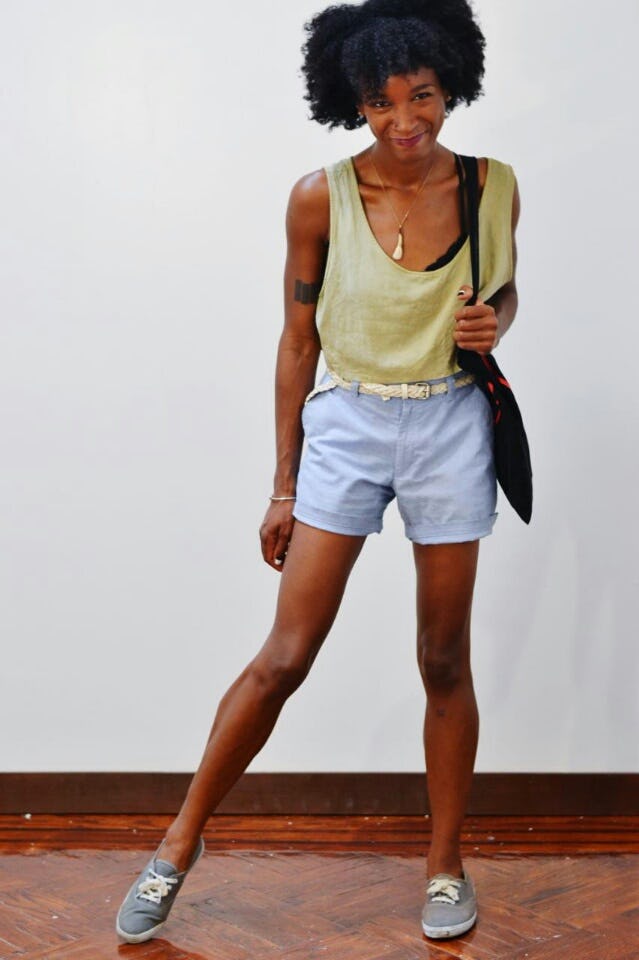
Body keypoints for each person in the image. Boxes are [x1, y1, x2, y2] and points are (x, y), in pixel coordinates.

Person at [116, 0, 520, 944]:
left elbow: (503, 289)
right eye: (381, 101)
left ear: (451, 87)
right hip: (347, 424)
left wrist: (495, 319)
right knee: (286, 655)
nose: (404, 120)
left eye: (422, 95)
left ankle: (445, 867)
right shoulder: (318, 197)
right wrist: (283, 484)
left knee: (443, 657)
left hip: (451, 424)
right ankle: (175, 846)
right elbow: (297, 341)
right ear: (353, 101)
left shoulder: (492, 184)